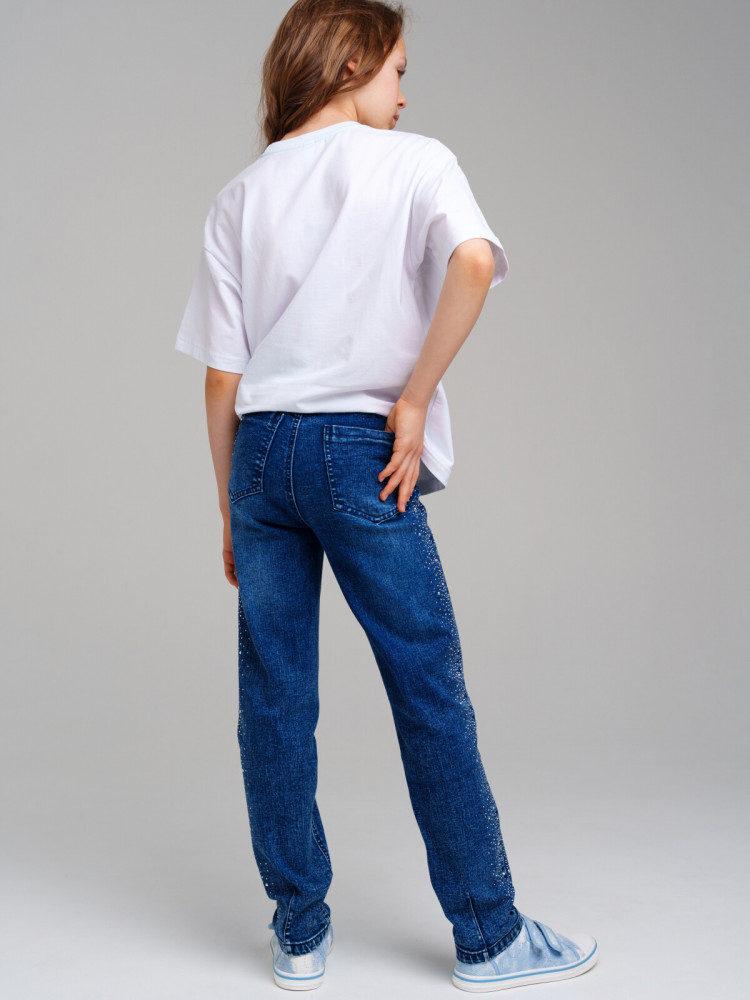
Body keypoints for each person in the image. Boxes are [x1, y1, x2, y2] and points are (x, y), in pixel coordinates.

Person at [174, 0, 598, 992]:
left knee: (274, 697)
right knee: (426, 685)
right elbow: (476, 262)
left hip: (261, 452)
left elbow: (223, 378)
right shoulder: (415, 163)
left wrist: (230, 505)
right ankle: (489, 936)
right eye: (398, 70)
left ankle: (298, 932)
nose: (404, 95)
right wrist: (411, 398)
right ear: (351, 60)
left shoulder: (240, 194)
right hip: (361, 453)